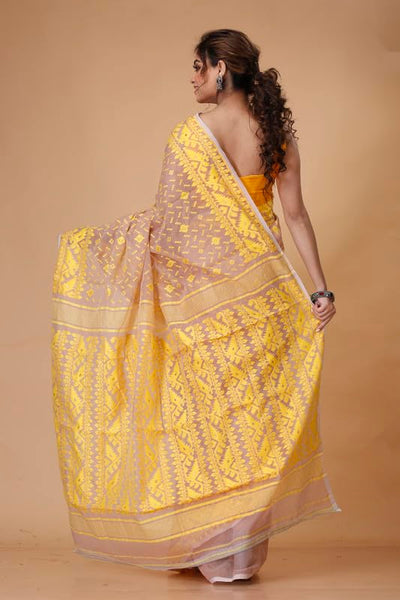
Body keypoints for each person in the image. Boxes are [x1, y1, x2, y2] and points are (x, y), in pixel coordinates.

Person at [51, 29, 341, 585]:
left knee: (206, 426)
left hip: (204, 307)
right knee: (251, 430)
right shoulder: (276, 135)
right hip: (263, 299)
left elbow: (170, 231)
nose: (192, 78)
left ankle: (213, 553)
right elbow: (296, 217)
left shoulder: (191, 136)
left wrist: (103, 249)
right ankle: (239, 559)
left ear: (221, 69)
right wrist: (320, 291)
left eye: (198, 67)